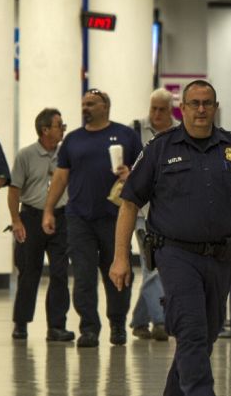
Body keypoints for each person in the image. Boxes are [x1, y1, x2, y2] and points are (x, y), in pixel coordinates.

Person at [110, 80, 231, 396]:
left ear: (215, 108)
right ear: (183, 108)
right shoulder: (160, 149)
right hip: (176, 255)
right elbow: (130, 202)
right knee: (191, 332)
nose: (201, 109)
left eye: (207, 103)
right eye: (194, 103)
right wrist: (121, 257)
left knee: (206, 336)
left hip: (222, 258)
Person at [42, 88, 142, 348]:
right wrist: (49, 210)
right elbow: (61, 177)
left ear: (105, 106)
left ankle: (118, 324)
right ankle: (89, 328)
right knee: (84, 276)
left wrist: (130, 174)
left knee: (118, 272)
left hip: (115, 218)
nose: (85, 108)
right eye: (83, 104)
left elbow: (144, 172)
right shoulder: (73, 141)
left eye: (91, 104)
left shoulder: (126, 135)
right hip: (79, 219)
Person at [8, 109, 75, 342]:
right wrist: (16, 221)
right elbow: (14, 190)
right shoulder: (26, 155)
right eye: (59, 125)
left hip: (60, 218)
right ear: (45, 129)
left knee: (59, 272)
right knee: (29, 272)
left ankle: (56, 326)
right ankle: (21, 323)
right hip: (31, 218)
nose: (63, 129)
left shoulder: (66, 155)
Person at [129, 88, 180, 342]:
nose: (156, 114)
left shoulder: (180, 131)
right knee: (153, 265)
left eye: (161, 109)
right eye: (153, 108)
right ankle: (160, 320)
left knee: (155, 266)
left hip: (171, 211)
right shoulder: (136, 129)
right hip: (143, 211)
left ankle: (139, 321)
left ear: (170, 110)